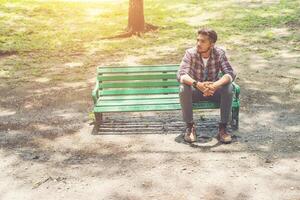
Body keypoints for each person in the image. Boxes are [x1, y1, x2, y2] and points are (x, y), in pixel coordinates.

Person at [177, 28, 236, 144]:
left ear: (212, 44)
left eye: (203, 41)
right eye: (198, 40)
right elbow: (181, 75)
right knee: (184, 88)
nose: (198, 44)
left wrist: (215, 85)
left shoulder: (219, 53)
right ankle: (190, 127)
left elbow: (230, 73)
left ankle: (223, 128)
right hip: (196, 92)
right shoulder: (190, 53)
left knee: (228, 88)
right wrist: (197, 84)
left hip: (213, 91)